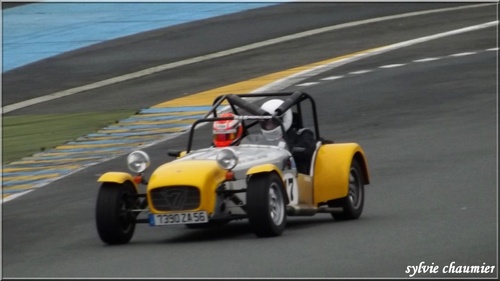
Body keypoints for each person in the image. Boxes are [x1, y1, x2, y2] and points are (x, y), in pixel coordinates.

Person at [257, 99, 317, 174]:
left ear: (285, 118)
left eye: (273, 123)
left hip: (297, 175)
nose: (269, 126)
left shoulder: (303, 134)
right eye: (265, 123)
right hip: (266, 175)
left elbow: (306, 152)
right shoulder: (261, 140)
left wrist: (290, 151)